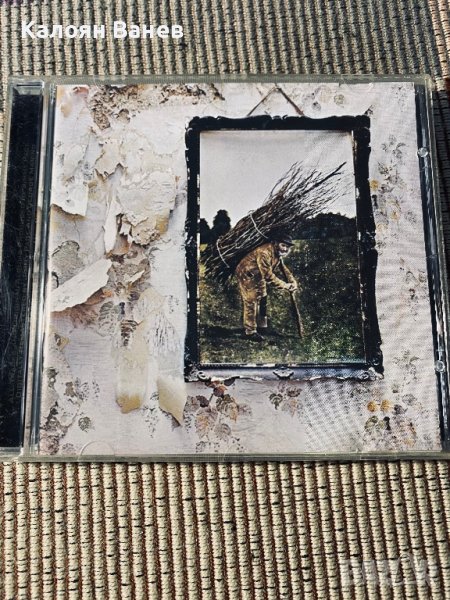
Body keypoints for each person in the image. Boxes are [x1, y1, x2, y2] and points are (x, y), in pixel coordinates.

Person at [235, 230, 298, 341]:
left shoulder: (277, 253)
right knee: (251, 300)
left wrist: (293, 282)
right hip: (247, 274)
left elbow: (283, 269)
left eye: (287, 247)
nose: (285, 249)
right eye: (283, 245)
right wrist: (286, 286)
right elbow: (268, 276)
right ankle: (250, 332)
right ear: (276, 243)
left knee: (263, 298)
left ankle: (262, 326)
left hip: (259, 274)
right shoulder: (264, 253)